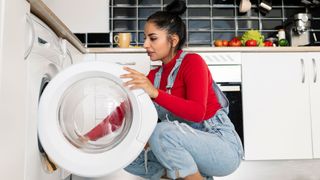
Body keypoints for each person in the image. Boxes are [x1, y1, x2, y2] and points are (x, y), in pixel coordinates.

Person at [120, 0, 244, 179]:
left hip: (222, 147)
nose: (145, 44)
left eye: (152, 38)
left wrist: (155, 93)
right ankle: (191, 174)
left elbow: (197, 113)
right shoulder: (153, 76)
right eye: (145, 38)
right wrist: (86, 139)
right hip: (185, 147)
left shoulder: (192, 62)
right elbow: (123, 112)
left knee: (161, 132)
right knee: (126, 154)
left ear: (173, 40)